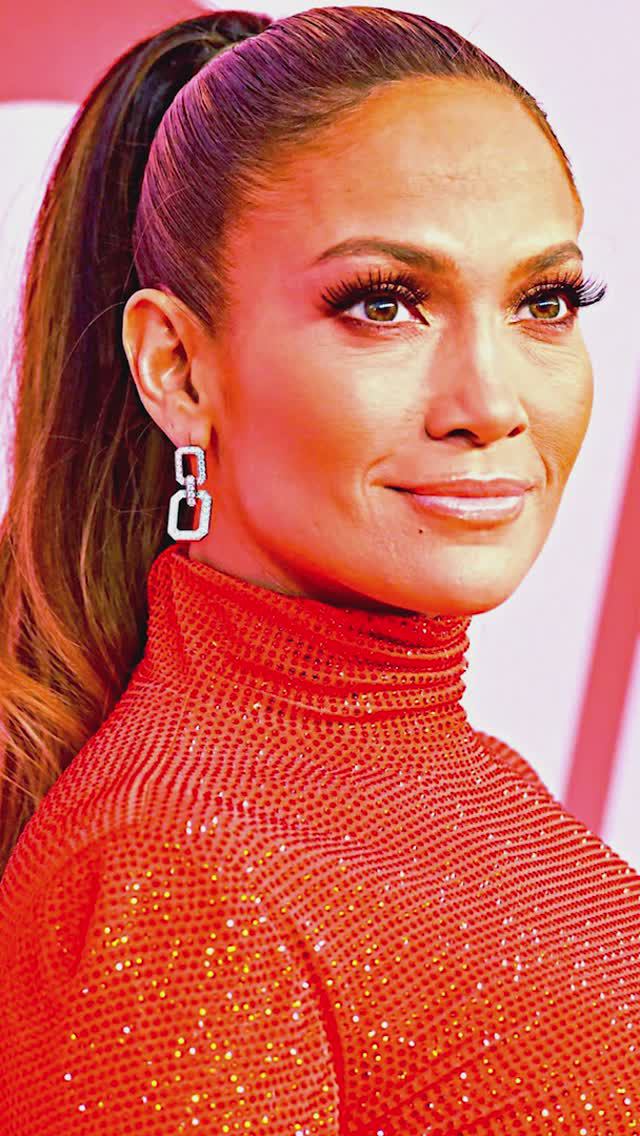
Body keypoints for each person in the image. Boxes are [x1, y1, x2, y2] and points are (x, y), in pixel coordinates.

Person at [0, 5, 633, 1133]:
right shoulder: (177, 880)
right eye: (384, 304)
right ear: (177, 368)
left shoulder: (464, 781)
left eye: (543, 303)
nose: (490, 403)